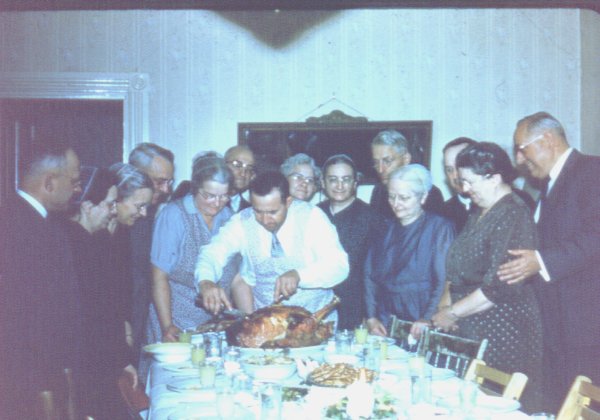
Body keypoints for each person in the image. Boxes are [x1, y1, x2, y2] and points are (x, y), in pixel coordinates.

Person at [497, 112, 600, 412]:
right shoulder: (546, 185)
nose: (519, 160)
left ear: (548, 140)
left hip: (586, 327)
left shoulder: (592, 172)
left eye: (522, 149)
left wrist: (541, 261)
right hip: (556, 325)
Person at [431, 142, 543, 413]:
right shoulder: (479, 211)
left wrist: (452, 313)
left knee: (495, 409)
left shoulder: (513, 212)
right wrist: (446, 307)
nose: (464, 189)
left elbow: (499, 287)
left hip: (504, 333)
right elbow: (457, 269)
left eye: (469, 182)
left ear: (494, 177)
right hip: (474, 327)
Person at [0, 142, 83, 418]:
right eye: (73, 181)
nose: (77, 189)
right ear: (49, 183)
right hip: (29, 380)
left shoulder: (33, 220)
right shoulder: (22, 227)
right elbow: (30, 317)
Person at [195, 171, 348, 319]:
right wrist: (206, 281)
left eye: (273, 212)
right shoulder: (242, 222)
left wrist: (300, 275)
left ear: (288, 202)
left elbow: (339, 266)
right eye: (258, 211)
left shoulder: (312, 217)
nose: (265, 220)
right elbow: (213, 252)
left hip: (316, 320)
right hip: (268, 324)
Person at [65, 167, 139, 419]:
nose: (113, 211)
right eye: (109, 204)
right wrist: (121, 359)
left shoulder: (91, 240)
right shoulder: (79, 247)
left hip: (97, 360)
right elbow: (99, 317)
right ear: (87, 206)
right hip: (90, 365)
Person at [145, 153, 238, 345]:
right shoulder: (174, 215)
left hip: (214, 325)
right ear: (195, 188)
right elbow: (159, 276)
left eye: (224, 196)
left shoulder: (229, 216)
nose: (217, 203)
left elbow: (236, 273)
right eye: (209, 196)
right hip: (175, 319)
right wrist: (167, 325)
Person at [365, 164, 454, 339]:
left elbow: (443, 280)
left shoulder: (440, 228)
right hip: (386, 317)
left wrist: (427, 317)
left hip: (422, 316)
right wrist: (371, 316)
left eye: (404, 198)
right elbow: (369, 276)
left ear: (423, 197)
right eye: (391, 197)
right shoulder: (383, 228)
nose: (396, 204)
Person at [317, 154, 386, 330]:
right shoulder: (314, 215)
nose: (339, 186)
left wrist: (370, 314)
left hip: (356, 308)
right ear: (323, 183)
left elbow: (377, 273)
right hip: (317, 305)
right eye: (333, 179)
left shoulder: (372, 219)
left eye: (346, 180)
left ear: (355, 183)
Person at [128, 143, 175, 365]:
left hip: (141, 315)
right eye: (160, 182)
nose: (166, 190)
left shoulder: (156, 211)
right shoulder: (118, 214)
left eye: (169, 182)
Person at [370, 129, 444, 219]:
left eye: (387, 161)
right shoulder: (378, 191)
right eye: (376, 162)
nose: (380, 169)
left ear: (406, 159)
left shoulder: (430, 193)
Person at [440, 137, 477, 232]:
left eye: (459, 167)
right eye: (449, 170)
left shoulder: (495, 206)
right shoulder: (441, 213)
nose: (455, 175)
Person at [225, 145, 256, 212]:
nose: (243, 174)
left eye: (249, 168)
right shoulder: (208, 203)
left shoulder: (252, 211)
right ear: (223, 165)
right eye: (237, 165)